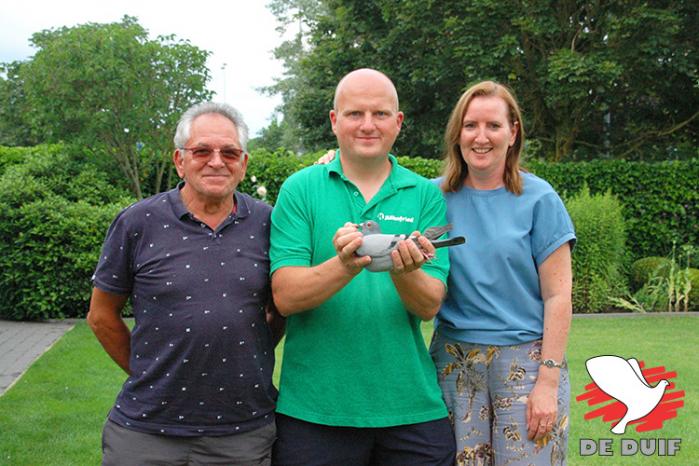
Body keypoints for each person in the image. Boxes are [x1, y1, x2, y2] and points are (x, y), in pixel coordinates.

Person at [270, 68, 456, 466]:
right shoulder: (301, 189)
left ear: (398, 122)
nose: (368, 125)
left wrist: (403, 270)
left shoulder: (424, 195)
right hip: (316, 409)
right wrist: (345, 266)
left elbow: (428, 306)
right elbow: (285, 296)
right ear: (334, 121)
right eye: (355, 114)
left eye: (381, 114)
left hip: (409, 405)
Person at [87, 102, 284, 466]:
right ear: (180, 160)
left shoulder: (269, 223)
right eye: (202, 151)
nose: (216, 161)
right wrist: (148, 371)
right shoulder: (137, 222)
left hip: (243, 431)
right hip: (145, 431)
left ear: (244, 164)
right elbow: (101, 316)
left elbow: (281, 309)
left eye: (229, 152)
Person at [429, 81, 575, 465]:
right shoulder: (431, 199)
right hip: (453, 363)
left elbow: (558, 296)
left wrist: (547, 380)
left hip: (527, 365)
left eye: (493, 125)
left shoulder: (540, 200)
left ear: (513, 133)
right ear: (456, 134)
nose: (481, 137)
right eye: (470, 125)